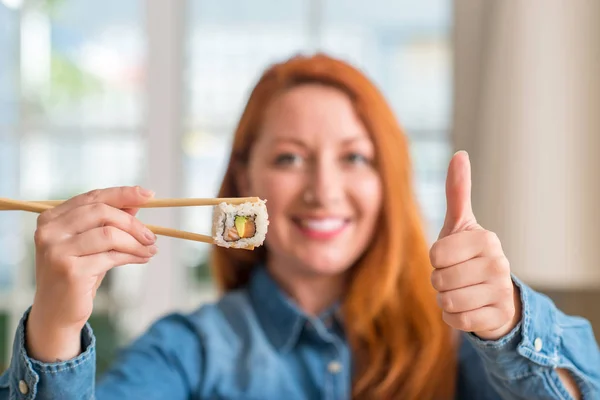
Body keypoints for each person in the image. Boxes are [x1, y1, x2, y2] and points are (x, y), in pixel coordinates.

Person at [1, 54, 599, 400]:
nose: (323, 191)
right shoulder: (190, 352)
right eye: (289, 158)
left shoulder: (456, 346)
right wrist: (55, 326)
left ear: (386, 179)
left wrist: (511, 325)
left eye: (354, 158)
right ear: (244, 175)